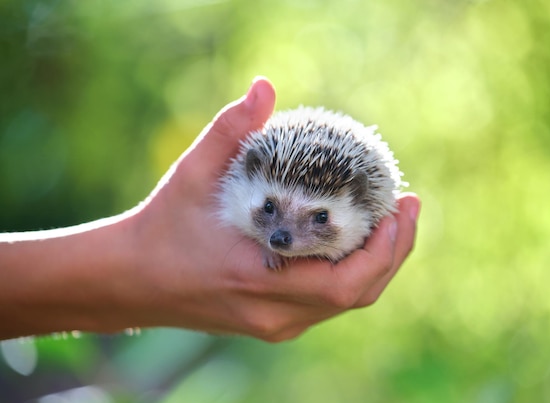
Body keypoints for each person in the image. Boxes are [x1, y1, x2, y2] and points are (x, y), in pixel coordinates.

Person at [0, 77, 421, 342]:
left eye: (319, 218)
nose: (282, 235)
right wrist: (141, 268)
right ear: (248, 179)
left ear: (360, 206)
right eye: (270, 208)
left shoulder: (366, 202)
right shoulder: (240, 186)